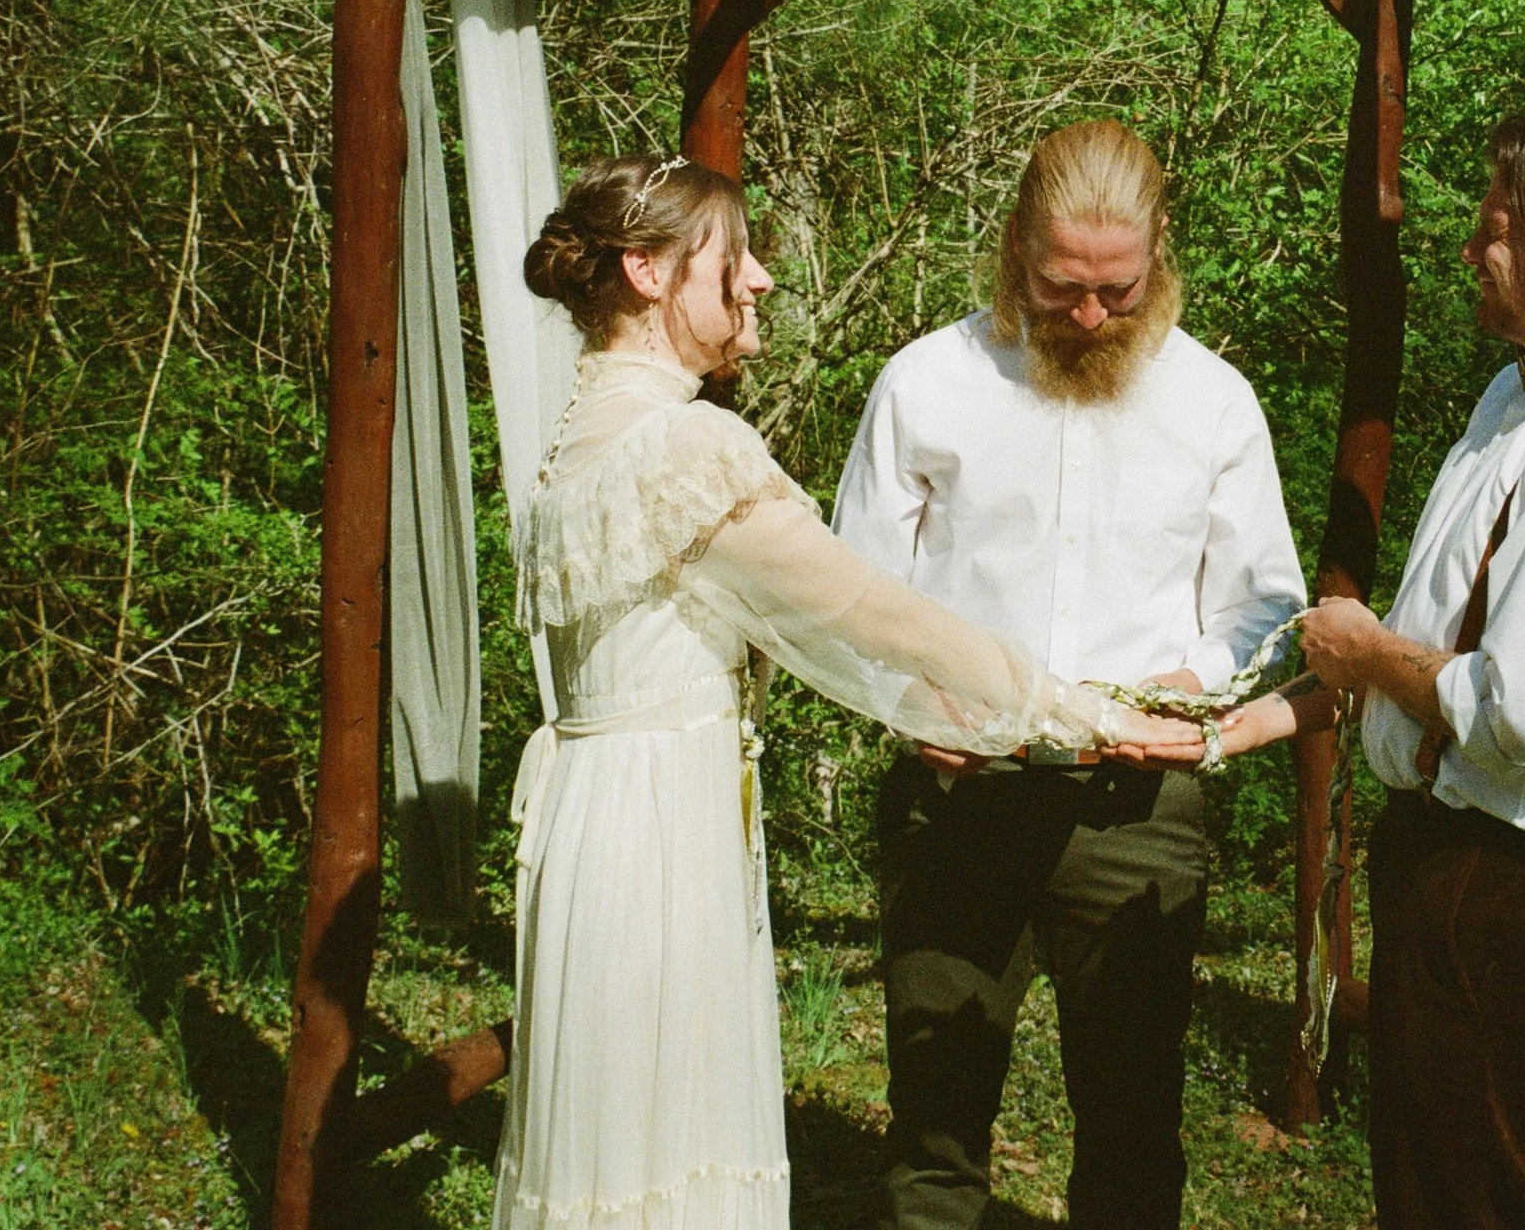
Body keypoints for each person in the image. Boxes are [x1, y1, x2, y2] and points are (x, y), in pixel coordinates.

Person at [491, 152, 1202, 1230]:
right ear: (645, 273)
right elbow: (867, 611)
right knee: (660, 1115)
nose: (761, 278)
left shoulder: (574, 436)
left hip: (596, 815)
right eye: (732, 257)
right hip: (655, 824)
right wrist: (1077, 710)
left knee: (611, 1118)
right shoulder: (687, 446)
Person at [1214, 106, 1525, 1229]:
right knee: (1428, 1191)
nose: (1469, 250)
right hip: (1452, 859)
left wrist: (1367, 650)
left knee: (1474, 1201)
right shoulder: (1519, 397)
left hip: (1517, 887)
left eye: (1494, 228)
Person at [832, 119, 1306, 1230]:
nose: (1089, 316)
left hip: (1136, 809)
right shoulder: (927, 384)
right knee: (936, 1121)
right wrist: (907, 708)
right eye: (1059, 290)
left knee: (1133, 1117)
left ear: (1160, 261)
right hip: (958, 798)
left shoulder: (1214, 403)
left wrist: (1187, 691)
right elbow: (851, 593)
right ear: (1012, 253)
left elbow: (1264, 605)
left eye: (1118, 292)